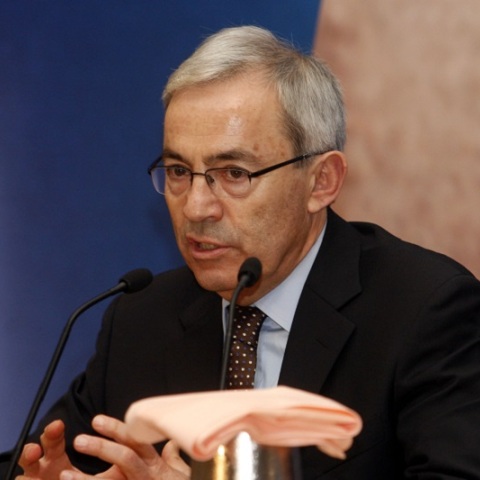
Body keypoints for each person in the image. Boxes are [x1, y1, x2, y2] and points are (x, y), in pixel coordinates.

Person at [3, 25, 480, 479]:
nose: (196, 207)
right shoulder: (140, 320)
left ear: (321, 181)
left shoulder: (424, 312)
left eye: (234, 174)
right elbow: (41, 461)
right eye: (178, 171)